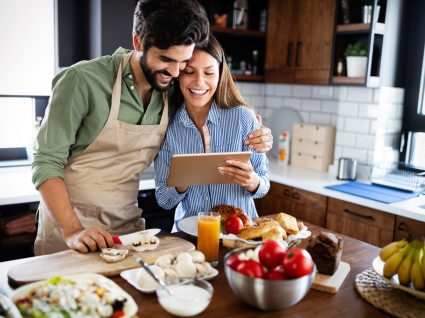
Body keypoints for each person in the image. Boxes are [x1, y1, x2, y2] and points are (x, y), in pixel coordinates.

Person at [32, 0, 272, 255]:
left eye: (183, 62)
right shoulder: (82, 81)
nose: (176, 72)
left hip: (127, 228)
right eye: (166, 59)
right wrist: (72, 230)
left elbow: (210, 98)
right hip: (70, 228)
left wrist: (261, 134)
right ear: (138, 42)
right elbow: (46, 161)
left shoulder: (171, 91)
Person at [154, 34, 269, 230]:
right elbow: (164, 200)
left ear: (220, 74)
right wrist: (182, 182)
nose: (199, 82)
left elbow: (263, 185)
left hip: (239, 234)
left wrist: (252, 181)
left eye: (209, 73)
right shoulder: (168, 126)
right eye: (189, 72)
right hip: (189, 235)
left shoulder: (243, 118)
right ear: (178, 74)